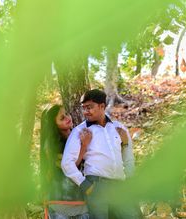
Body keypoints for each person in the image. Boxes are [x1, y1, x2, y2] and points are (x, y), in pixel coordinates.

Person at [61, 89, 137, 219]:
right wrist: (86, 186)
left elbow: (128, 159)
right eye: (83, 108)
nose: (85, 111)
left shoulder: (119, 128)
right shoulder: (80, 131)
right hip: (96, 186)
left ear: (102, 106)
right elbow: (67, 163)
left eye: (89, 107)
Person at [40, 104, 92, 219]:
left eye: (67, 114)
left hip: (81, 201)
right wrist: (84, 147)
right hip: (60, 203)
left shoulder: (77, 136)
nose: (68, 118)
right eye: (62, 118)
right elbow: (69, 167)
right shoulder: (51, 145)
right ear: (53, 125)